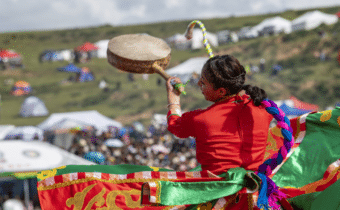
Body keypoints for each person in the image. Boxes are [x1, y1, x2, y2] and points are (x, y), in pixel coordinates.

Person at [166, 54, 273, 175]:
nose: (198, 84)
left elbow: (174, 124)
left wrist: (173, 98)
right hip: (256, 188)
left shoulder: (199, 119)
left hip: (216, 190)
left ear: (222, 91)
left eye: (203, 82)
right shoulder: (263, 110)